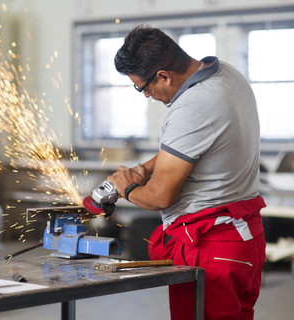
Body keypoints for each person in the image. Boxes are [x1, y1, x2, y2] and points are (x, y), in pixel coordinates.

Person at [106, 25, 265, 320]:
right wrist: (143, 169)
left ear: (164, 76)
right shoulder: (226, 74)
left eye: (144, 88)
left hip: (209, 247)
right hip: (243, 238)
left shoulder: (191, 107)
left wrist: (127, 188)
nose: (146, 96)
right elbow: (192, 147)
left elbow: (160, 196)